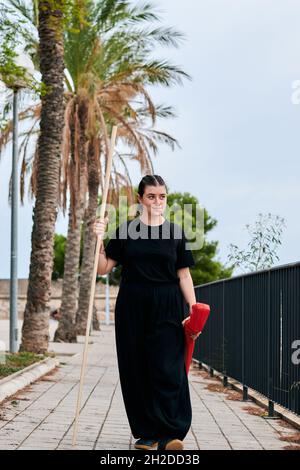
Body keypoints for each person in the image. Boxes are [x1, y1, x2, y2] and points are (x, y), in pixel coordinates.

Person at [93, 174, 200, 451]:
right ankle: (148, 434)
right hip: (132, 305)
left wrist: (194, 309)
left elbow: (184, 275)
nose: (157, 201)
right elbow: (103, 268)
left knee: (169, 367)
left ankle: (172, 432)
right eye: (151, 196)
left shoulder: (175, 234)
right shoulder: (127, 231)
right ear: (140, 199)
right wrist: (98, 240)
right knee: (137, 367)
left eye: (162, 196)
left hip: (167, 305)